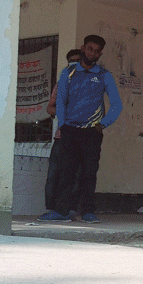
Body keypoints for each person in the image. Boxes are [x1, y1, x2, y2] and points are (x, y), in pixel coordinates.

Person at [39, 35, 122, 223]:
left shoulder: (103, 75)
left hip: (92, 132)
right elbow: (59, 101)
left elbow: (117, 104)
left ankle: (87, 212)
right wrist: (64, 124)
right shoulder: (67, 73)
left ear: (99, 54)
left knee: (88, 173)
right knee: (65, 172)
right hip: (70, 130)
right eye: (90, 48)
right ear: (83, 48)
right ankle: (61, 211)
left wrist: (102, 125)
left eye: (96, 51)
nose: (92, 53)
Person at [42, 49, 82, 217]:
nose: (75, 63)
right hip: (62, 137)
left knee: (76, 175)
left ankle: (70, 210)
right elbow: (49, 108)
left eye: (78, 61)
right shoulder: (62, 84)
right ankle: (53, 209)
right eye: (71, 61)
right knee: (54, 175)